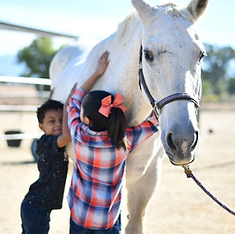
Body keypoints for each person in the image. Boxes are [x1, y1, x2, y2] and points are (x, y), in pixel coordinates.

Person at [67, 51, 159, 234]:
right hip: (107, 220)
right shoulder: (123, 140)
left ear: (86, 119)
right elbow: (154, 122)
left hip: (80, 215)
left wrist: (97, 72)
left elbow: (74, 100)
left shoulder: (78, 133)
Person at [20, 90, 74, 234]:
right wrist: (67, 105)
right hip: (35, 206)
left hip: (40, 206)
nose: (58, 124)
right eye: (52, 121)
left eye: (61, 120)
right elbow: (67, 136)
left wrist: (51, 99)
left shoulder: (51, 140)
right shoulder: (48, 143)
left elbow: (48, 117)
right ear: (41, 127)